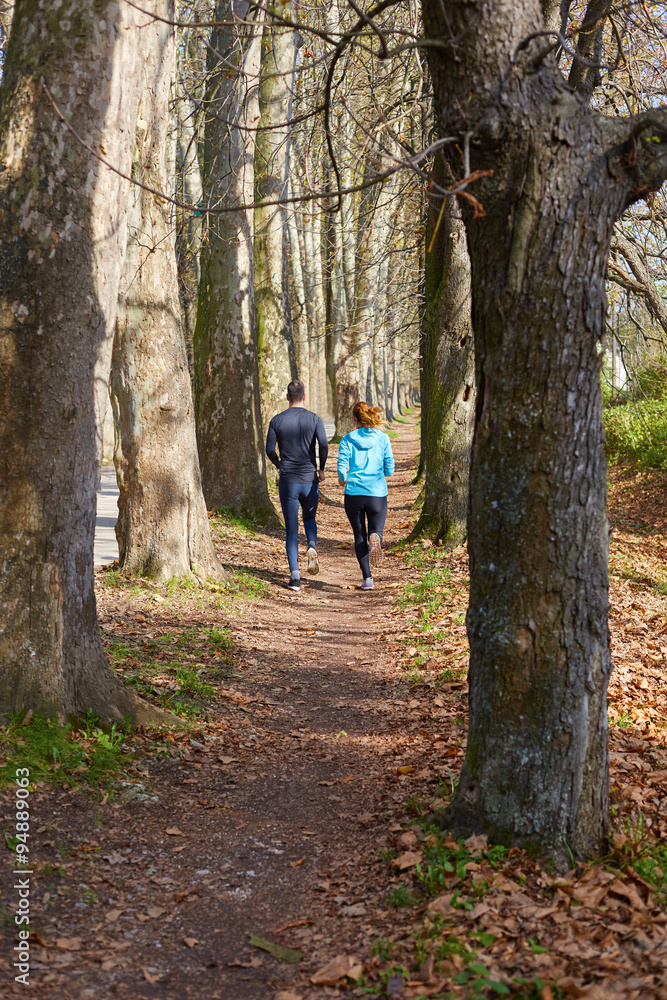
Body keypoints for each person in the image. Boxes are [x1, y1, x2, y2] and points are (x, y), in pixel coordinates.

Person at [266, 379, 328, 592]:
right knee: (310, 518)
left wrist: (279, 465)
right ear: (304, 396)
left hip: (288, 481)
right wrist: (321, 469)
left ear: (287, 397)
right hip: (309, 480)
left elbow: (269, 449)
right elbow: (324, 444)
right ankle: (311, 545)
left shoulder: (277, 420)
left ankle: (294, 578)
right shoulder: (314, 419)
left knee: (291, 530)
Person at [337, 401, 395, 590]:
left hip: (354, 494)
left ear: (355, 419)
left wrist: (343, 478)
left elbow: (341, 468)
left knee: (359, 535)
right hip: (377, 494)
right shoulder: (383, 438)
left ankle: (367, 579)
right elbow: (390, 469)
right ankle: (376, 538)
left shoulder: (347, 439)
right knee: (375, 531)